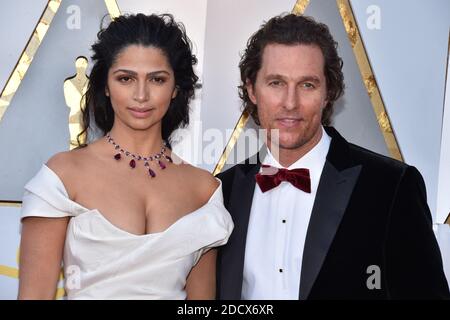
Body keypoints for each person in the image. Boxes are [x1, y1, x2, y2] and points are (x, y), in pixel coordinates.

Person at [216, 13, 449, 299]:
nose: (290, 103)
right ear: (252, 89)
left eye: (307, 85)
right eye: (276, 83)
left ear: (328, 93)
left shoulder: (391, 187)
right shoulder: (222, 192)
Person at [18, 13, 233, 300]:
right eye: (125, 78)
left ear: (175, 89)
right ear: (106, 85)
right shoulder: (64, 176)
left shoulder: (203, 189)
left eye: (157, 79)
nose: (141, 95)